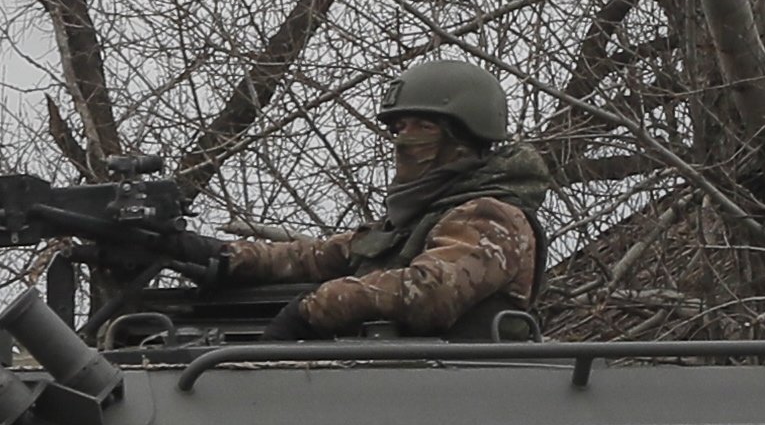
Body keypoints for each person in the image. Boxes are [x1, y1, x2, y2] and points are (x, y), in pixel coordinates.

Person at [213, 56, 552, 338]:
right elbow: (315, 257)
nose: (405, 140)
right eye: (399, 128)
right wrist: (219, 257)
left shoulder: (491, 216)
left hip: (462, 395)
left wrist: (317, 307)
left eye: (424, 126)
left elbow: (431, 292)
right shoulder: (414, 222)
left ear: (465, 137)